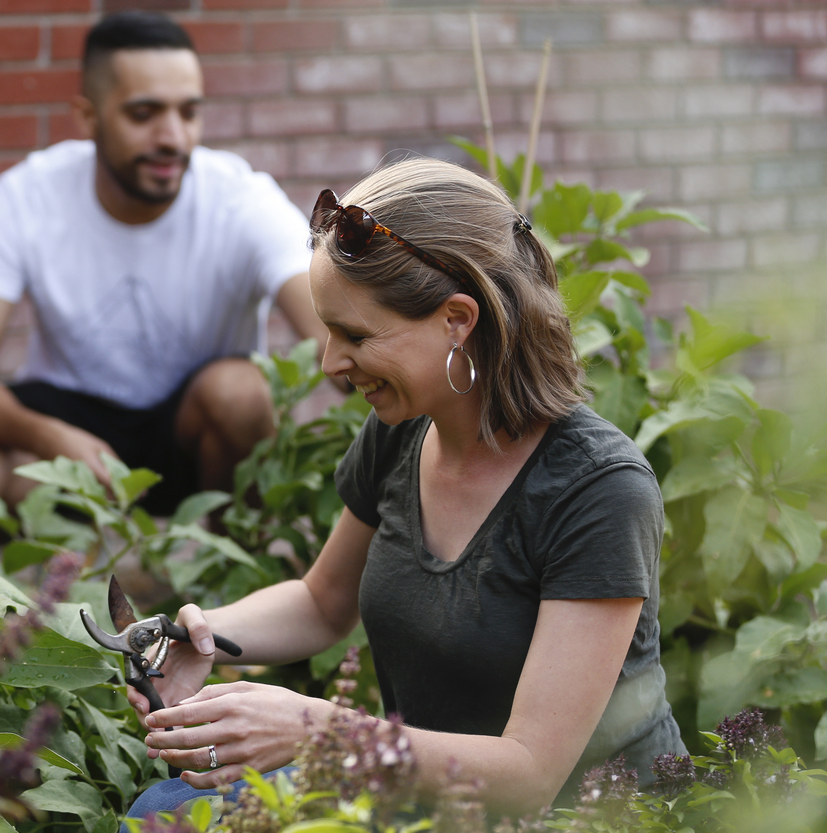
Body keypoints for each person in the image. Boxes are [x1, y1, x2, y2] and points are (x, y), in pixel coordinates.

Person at [123, 158, 686, 820]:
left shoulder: (599, 491)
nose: (331, 361)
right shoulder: (405, 432)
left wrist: (318, 728)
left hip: (583, 818)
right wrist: (202, 638)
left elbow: (531, 772)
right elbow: (321, 601)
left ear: (456, 320)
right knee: (161, 811)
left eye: (356, 334)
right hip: (427, 800)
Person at [0, 10, 328, 514]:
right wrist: (46, 436)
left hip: (192, 437)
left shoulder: (241, 200)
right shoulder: (27, 195)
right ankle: (3, 596)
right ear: (88, 118)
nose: (173, 138)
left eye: (188, 112)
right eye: (144, 114)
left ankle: (239, 575)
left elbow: (329, 330)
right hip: (68, 429)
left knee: (245, 393)